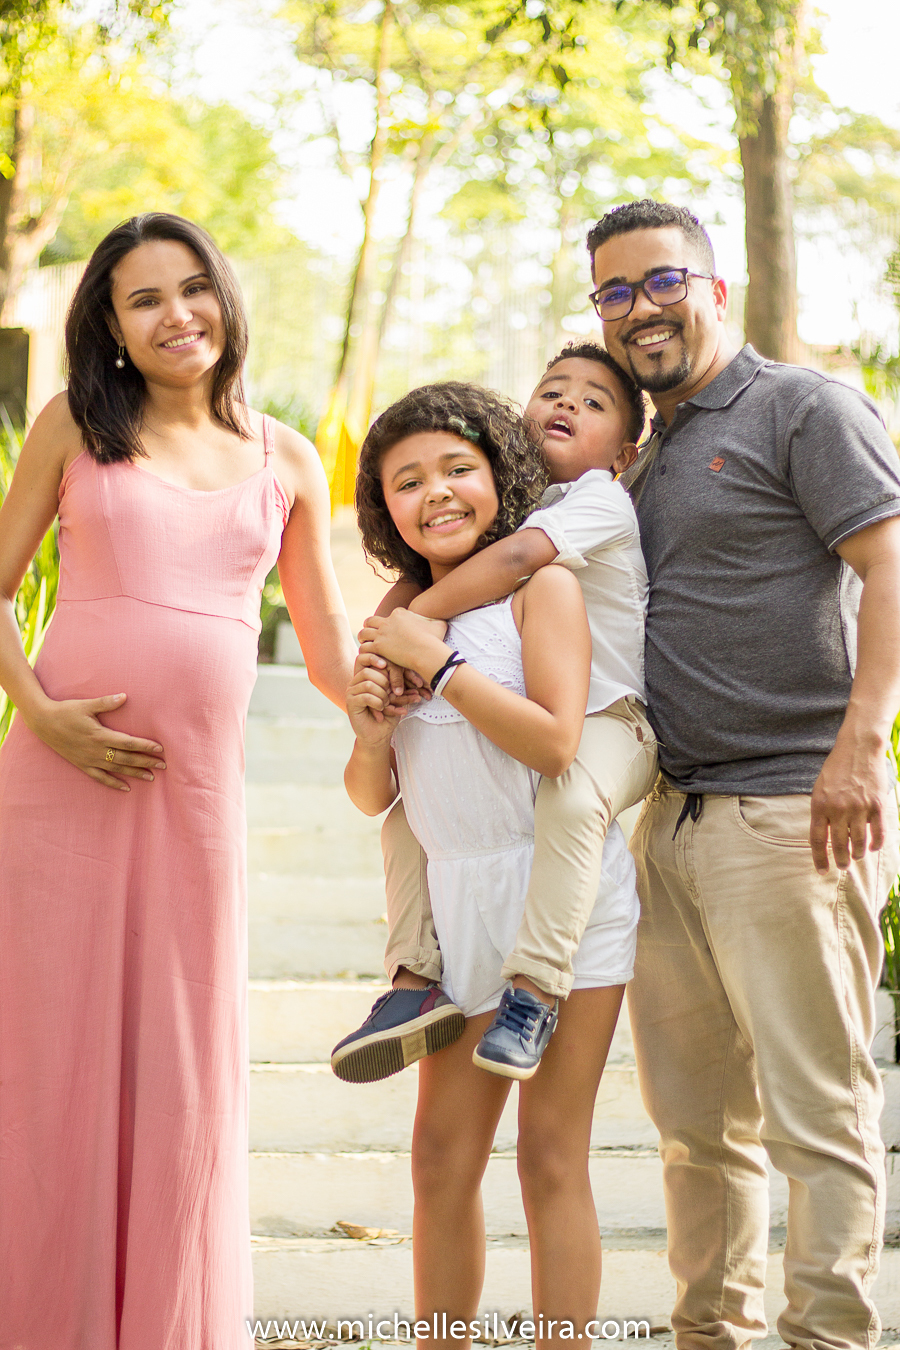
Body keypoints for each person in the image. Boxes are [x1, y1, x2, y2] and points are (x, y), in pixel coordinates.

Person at [0, 213, 355, 1350]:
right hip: (58, 789)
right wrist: (41, 715)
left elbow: (335, 659)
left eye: (192, 287)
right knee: (45, 1057)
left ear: (225, 297)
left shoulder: (285, 456)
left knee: (180, 1072)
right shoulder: (73, 427)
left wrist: (450, 678)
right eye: (142, 298)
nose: (175, 315)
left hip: (193, 803)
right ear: (107, 323)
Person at [586, 198, 900, 1350]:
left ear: (716, 289)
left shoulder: (800, 407)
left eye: (661, 282)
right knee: (696, 1128)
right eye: (614, 293)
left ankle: (829, 1338)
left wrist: (862, 744)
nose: (640, 310)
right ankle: (708, 1332)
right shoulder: (645, 442)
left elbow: (888, 560)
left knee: (817, 1117)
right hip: (669, 820)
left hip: (792, 810)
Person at [343, 380, 640, 1347]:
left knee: (549, 1157)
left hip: (558, 900)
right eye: (407, 481)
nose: (436, 493)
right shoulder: (399, 625)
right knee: (438, 1159)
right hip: (455, 902)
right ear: (384, 508)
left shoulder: (536, 590)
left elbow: (557, 745)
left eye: (458, 469)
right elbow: (369, 795)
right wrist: (371, 729)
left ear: (499, 476)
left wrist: (438, 666)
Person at [331, 343, 657, 1082]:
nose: (567, 404)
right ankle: (412, 981)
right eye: (553, 391)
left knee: (571, 798)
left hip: (615, 721)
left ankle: (536, 988)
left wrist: (415, 634)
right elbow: (418, 580)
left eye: (594, 402)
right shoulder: (512, 511)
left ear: (627, 450)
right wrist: (383, 648)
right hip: (526, 756)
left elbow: (508, 570)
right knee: (404, 819)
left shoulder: (599, 499)